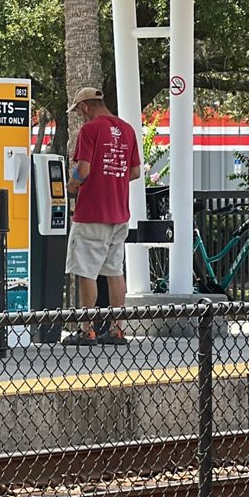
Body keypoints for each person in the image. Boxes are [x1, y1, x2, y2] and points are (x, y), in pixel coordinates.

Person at [61, 87, 141, 346]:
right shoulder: (127, 129)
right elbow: (135, 172)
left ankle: (87, 330)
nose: (80, 115)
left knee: (86, 271)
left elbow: (83, 170)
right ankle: (117, 329)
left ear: (85, 106)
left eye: (79, 111)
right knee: (115, 271)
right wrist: (112, 180)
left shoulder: (90, 130)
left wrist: (72, 184)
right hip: (119, 213)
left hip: (92, 213)